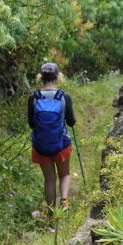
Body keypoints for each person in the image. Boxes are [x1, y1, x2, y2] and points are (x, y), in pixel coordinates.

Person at [27, 62, 76, 211]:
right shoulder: (64, 96)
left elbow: (31, 124)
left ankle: (51, 213)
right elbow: (71, 122)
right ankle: (64, 201)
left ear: (40, 77)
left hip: (41, 146)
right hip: (61, 144)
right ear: (57, 77)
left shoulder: (33, 97)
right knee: (64, 175)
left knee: (49, 179)